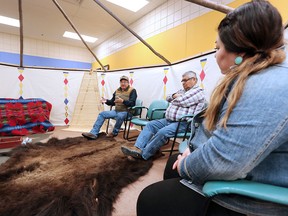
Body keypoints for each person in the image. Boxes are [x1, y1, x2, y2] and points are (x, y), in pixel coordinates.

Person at [136, 1, 288, 215]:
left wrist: (187, 163)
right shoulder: (254, 77)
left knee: (150, 198)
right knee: (170, 158)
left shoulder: (267, 84)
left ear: (239, 52)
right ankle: (140, 151)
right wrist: (193, 149)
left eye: (217, 48)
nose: (216, 54)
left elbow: (226, 158)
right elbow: (219, 130)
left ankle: (144, 155)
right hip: (250, 165)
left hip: (258, 191)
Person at [121, 71, 206, 160]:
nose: (183, 83)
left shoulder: (198, 91)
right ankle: (137, 148)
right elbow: (168, 97)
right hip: (169, 120)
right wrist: (174, 96)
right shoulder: (182, 91)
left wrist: (174, 98)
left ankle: (144, 155)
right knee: (150, 125)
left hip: (184, 123)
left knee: (163, 132)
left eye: (185, 80)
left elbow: (181, 101)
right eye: (182, 81)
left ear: (194, 79)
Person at [82, 75, 137, 139]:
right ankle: (94, 133)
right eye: (121, 82)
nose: (123, 83)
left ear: (128, 83)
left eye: (125, 82)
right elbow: (112, 102)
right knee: (102, 114)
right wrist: (106, 101)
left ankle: (114, 132)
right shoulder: (117, 91)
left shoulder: (132, 90)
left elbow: (132, 103)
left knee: (120, 116)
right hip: (116, 111)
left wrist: (123, 101)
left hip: (127, 112)